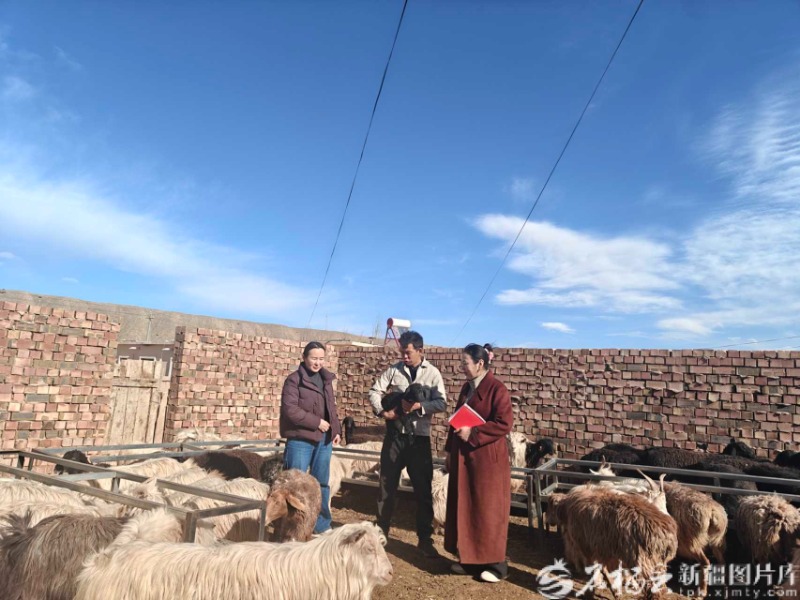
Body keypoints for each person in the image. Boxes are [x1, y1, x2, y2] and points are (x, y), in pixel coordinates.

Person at [368, 330, 446, 558]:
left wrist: (419, 407)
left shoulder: (432, 373)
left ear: (420, 351)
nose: (404, 356)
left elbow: (441, 402)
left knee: (423, 491)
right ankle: (381, 534)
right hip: (394, 437)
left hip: (419, 440)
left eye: (408, 352)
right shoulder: (394, 370)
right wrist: (383, 412)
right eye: (402, 352)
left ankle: (425, 540)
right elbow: (374, 391)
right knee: (386, 486)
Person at [444, 343, 513, 583]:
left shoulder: (497, 389)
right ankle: (470, 560)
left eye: (465, 363)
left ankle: (497, 565)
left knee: (488, 510)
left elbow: (504, 423)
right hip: (465, 459)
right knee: (467, 507)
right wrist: (448, 451)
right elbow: (456, 420)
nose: (462, 367)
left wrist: (473, 432)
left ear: (480, 363)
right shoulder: (467, 388)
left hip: (488, 464)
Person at [279, 341, 341, 535]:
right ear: (304, 358)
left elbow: (331, 407)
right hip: (300, 439)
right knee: (294, 484)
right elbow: (290, 410)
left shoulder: (326, 380)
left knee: (321, 483)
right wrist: (316, 422)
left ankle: (321, 525)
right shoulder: (294, 380)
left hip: (324, 440)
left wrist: (336, 430)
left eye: (321, 359)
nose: (317, 363)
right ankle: (290, 525)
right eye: (314, 358)